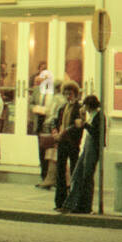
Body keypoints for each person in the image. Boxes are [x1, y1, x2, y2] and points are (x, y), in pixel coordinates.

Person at [63, 94, 104, 213]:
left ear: (89, 106)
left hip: (93, 148)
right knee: (77, 174)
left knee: (87, 177)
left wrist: (85, 124)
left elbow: (96, 133)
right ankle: (73, 204)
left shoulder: (99, 116)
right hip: (87, 147)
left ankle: (85, 206)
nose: (84, 108)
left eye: (85, 106)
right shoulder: (91, 115)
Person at [53, 81, 84, 209]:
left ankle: (74, 201)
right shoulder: (62, 108)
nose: (68, 96)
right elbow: (56, 121)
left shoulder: (79, 108)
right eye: (65, 94)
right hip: (62, 142)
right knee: (60, 171)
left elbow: (77, 126)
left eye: (70, 94)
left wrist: (64, 132)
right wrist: (55, 131)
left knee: (74, 171)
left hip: (72, 142)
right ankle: (60, 201)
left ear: (75, 94)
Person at [36, 80, 67, 188]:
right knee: (55, 154)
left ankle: (50, 179)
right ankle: (54, 179)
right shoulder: (64, 99)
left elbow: (51, 113)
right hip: (61, 127)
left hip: (54, 128)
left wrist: (47, 125)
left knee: (51, 153)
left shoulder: (56, 99)